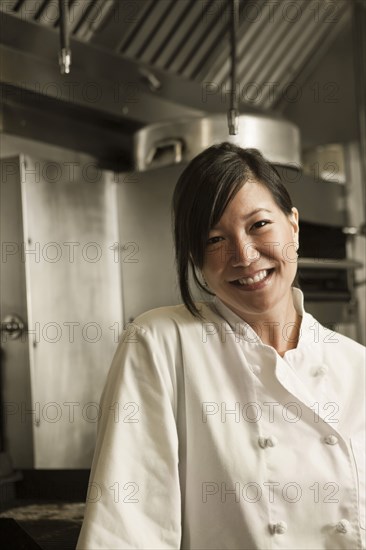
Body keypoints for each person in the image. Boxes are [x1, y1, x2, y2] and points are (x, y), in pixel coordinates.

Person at [77, 143, 365, 550]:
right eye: (215, 239)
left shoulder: (357, 366)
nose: (244, 256)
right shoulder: (161, 343)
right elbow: (127, 530)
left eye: (259, 225)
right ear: (196, 259)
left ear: (294, 227)